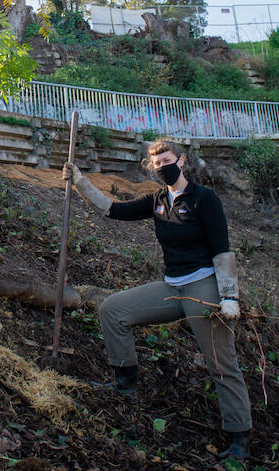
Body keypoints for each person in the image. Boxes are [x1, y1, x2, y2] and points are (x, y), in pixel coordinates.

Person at [62, 140, 253, 461]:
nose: (161, 166)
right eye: (155, 162)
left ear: (181, 161)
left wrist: (230, 296)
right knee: (112, 309)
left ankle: (239, 439)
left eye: (166, 160)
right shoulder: (157, 200)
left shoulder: (204, 199)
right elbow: (113, 210)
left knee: (221, 364)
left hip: (203, 287)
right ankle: (125, 384)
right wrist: (80, 181)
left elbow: (222, 249)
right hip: (171, 286)